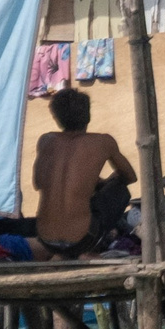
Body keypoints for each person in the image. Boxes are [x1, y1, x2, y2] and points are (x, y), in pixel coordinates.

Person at [30, 88, 137, 259]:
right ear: (88, 115)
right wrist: (105, 182)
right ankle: (90, 250)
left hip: (46, 239)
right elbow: (130, 177)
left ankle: (63, 253)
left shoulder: (46, 140)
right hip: (82, 239)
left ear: (57, 118)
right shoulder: (103, 141)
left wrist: (91, 182)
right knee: (119, 190)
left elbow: (38, 183)